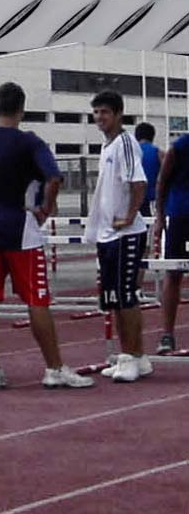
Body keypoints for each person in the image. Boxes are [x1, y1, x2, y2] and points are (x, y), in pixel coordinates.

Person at [0, 82, 93, 390]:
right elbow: (54, 177)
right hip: (21, 229)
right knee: (37, 299)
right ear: (22, 110)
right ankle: (53, 368)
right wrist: (45, 208)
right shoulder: (30, 142)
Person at [85, 89, 151, 382]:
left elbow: (139, 183)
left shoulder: (126, 143)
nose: (100, 117)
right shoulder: (107, 146)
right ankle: (132, 356)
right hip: (108, 235)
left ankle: (133, 357)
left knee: (127, 297)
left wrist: (129, 216)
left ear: (118, 114)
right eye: (96, 112)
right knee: (114, 297)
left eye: (105, 112)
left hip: (126, 233)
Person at [152, 127, 189, 353]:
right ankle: (167, 334)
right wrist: (159, 217)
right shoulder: (180, 147)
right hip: (181, 218)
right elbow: (162, 182)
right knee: (173, 273)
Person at [135, 123, 160, 218]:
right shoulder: (158, 153)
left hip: (133, 198)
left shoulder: (131, 153)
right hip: (153, 198)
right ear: (153, 136)